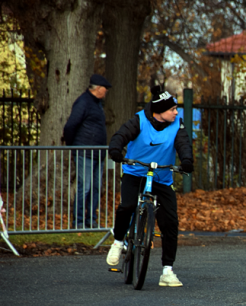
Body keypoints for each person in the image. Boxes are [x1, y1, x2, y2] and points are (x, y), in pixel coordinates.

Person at [106, 85, 194, 287]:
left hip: (161, 177)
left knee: (170, 223)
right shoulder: (140, 120)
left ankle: (167, 271)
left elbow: (183, 144)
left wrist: (187, 160)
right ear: (160, 111)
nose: (176, 112)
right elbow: (121, 136)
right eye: (172, 109)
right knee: (127, 206)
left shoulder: (177, 124)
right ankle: (118, 242)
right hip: (135, 173)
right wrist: (116, 150)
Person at [63, 74, 112, 229]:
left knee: (96, 188)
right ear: (97, 88)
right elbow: (70, 126)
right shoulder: (83, 102)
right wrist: (74, 147)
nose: (107, 91)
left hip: (98, 153)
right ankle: (78, 222)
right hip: (85, 152)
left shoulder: (97, 104)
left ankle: (91, 220)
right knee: (85, 187)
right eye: (105, 88)